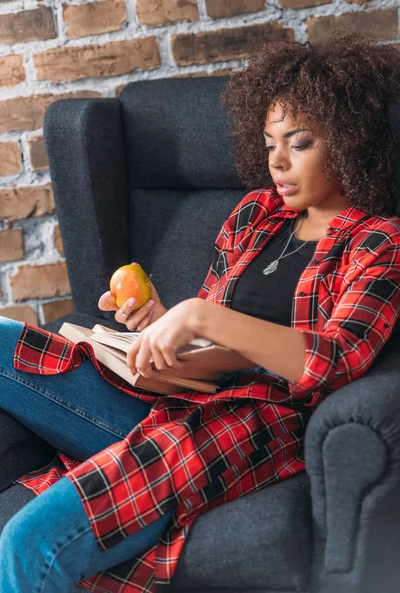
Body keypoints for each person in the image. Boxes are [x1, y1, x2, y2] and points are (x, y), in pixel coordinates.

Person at [1, 30, 400, 592]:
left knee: (28, 542)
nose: (278, 163)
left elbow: (335, 360)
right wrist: (159, 327)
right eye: (268, 144)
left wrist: (199, 317)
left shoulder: (378, 242)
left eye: (300, 142)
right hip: (171, 396)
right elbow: (209, 339)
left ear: (348, 140)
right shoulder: (253, 215)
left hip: (252, 424)